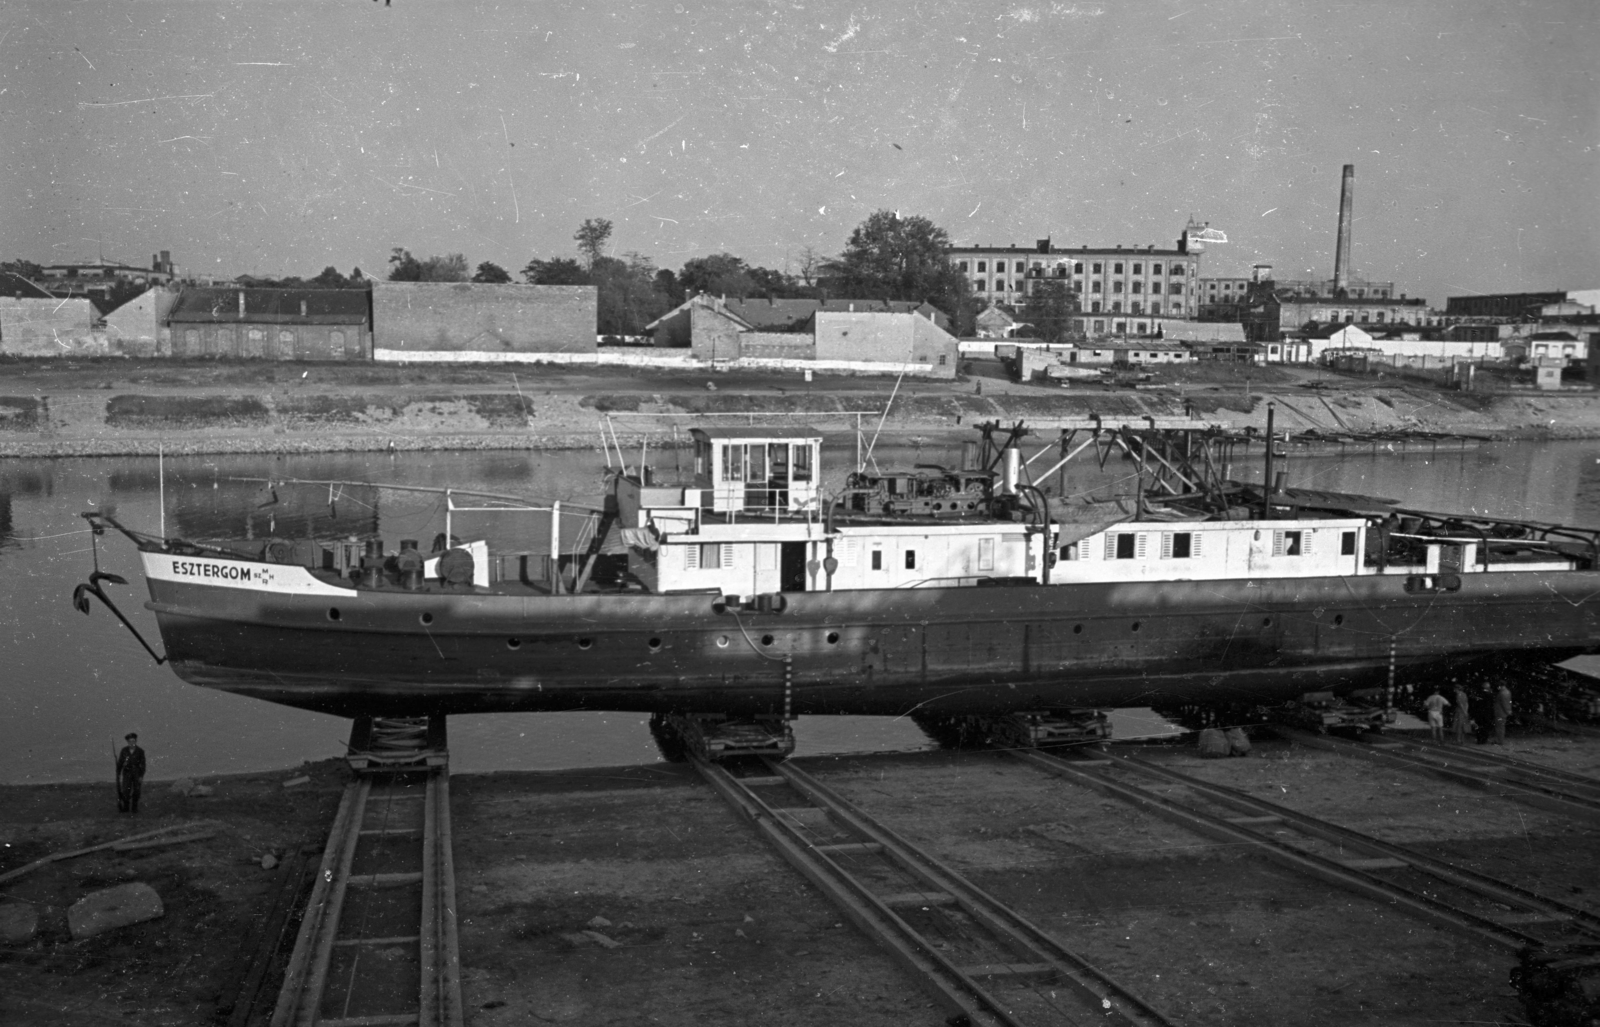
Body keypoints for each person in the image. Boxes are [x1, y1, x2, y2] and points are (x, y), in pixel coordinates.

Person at [116, 733, 146, 813]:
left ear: (136, 741)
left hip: (137, 773)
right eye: (130, 741)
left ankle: (134, 808)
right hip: (127, 773)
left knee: (136, 791)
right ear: (127, 742)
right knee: (126, 791)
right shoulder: (124, 751)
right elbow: (120, 763)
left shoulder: (140, 751)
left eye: (133, 741)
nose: (132, 743)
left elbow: (143, 765)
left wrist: (141, 776)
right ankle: (126, 808)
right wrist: (118, 773)